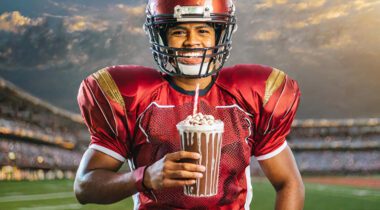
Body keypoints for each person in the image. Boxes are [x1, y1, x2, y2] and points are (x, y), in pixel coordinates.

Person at [74, 0, 305, 209]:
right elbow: (85, 187)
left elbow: (288, 182)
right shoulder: (134, 96)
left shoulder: (250, 95)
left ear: (219, 34)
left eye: (203, 30)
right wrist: (144, 177)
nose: (191, 41)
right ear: (161, 35)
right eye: (178, 30)